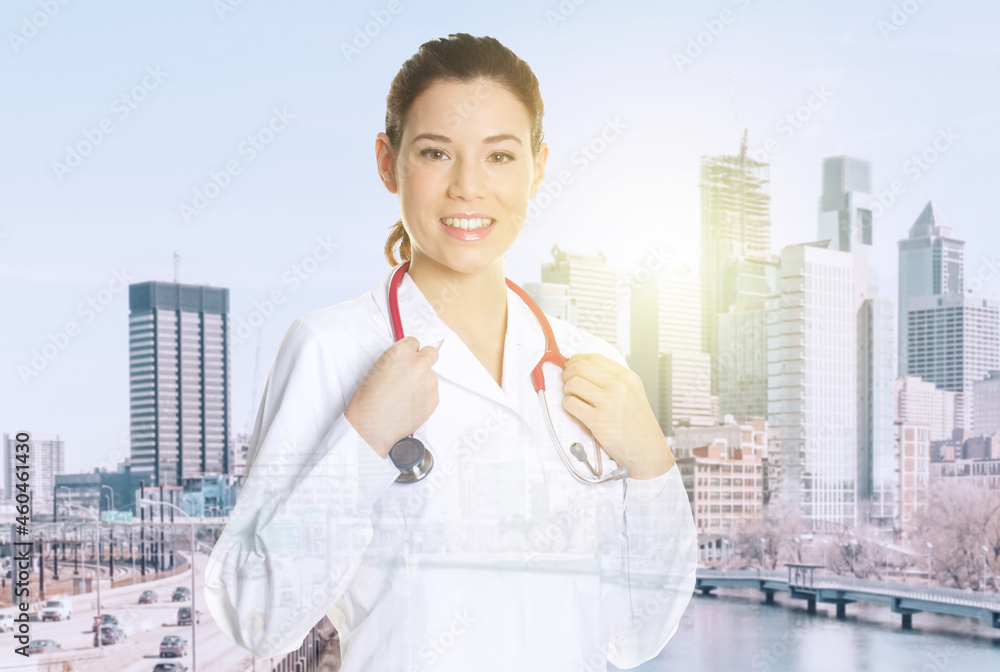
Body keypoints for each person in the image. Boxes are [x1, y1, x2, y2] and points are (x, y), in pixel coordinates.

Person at [204, 33, 697, 671]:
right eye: (437, 152)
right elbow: (256, 616)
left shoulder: (591, 366)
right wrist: (362, 443)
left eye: (499, 156)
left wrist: (654, 465)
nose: (469, 187)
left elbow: (635, 634)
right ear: (388, 162)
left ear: (539, 167)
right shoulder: (331, 348)